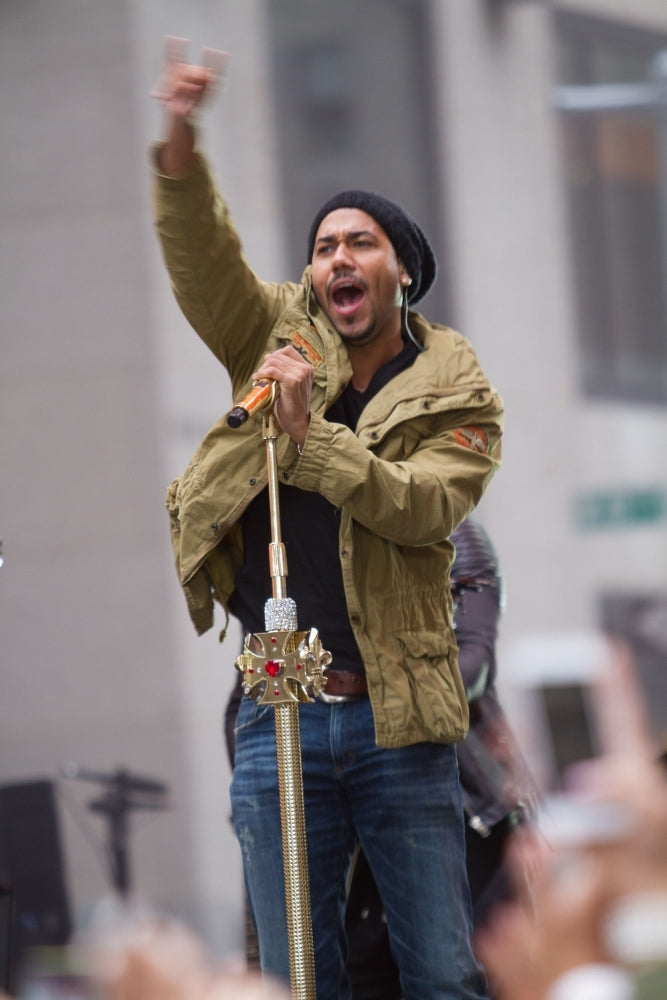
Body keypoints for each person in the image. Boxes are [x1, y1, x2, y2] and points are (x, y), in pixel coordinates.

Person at [151, 40, 503, 1000]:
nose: (335, 259)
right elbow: (203, 259)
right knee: (298, 976)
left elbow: (421, 508)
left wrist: (311, 441)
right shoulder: (276, 333)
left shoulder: (455, 389)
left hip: (398, 715)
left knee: (439, 973)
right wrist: (180, 136)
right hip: (282, 705)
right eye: (321, 247)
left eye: (359, 244)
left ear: (400, 274)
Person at [344, 517, 538, 999]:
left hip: (460, 795)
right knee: (361, 969)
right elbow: (248, 692)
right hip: (342, 808)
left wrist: (374, 692)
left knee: (459, 969)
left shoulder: (452, 530)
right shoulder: (303, 541)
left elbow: (473, 662)